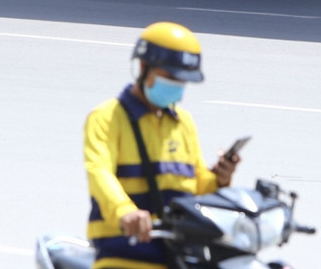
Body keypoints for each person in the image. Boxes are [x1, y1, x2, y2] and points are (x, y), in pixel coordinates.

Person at [85, 22, 239, 269]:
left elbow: (196, 186)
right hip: (125, 250)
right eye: (171, 77)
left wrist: (220, 179)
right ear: (144, 67)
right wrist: (126, 212)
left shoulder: (183, 122)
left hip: (178, 252)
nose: (177, 85)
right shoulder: (107, 117)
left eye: (183, 80)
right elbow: (99, 174)